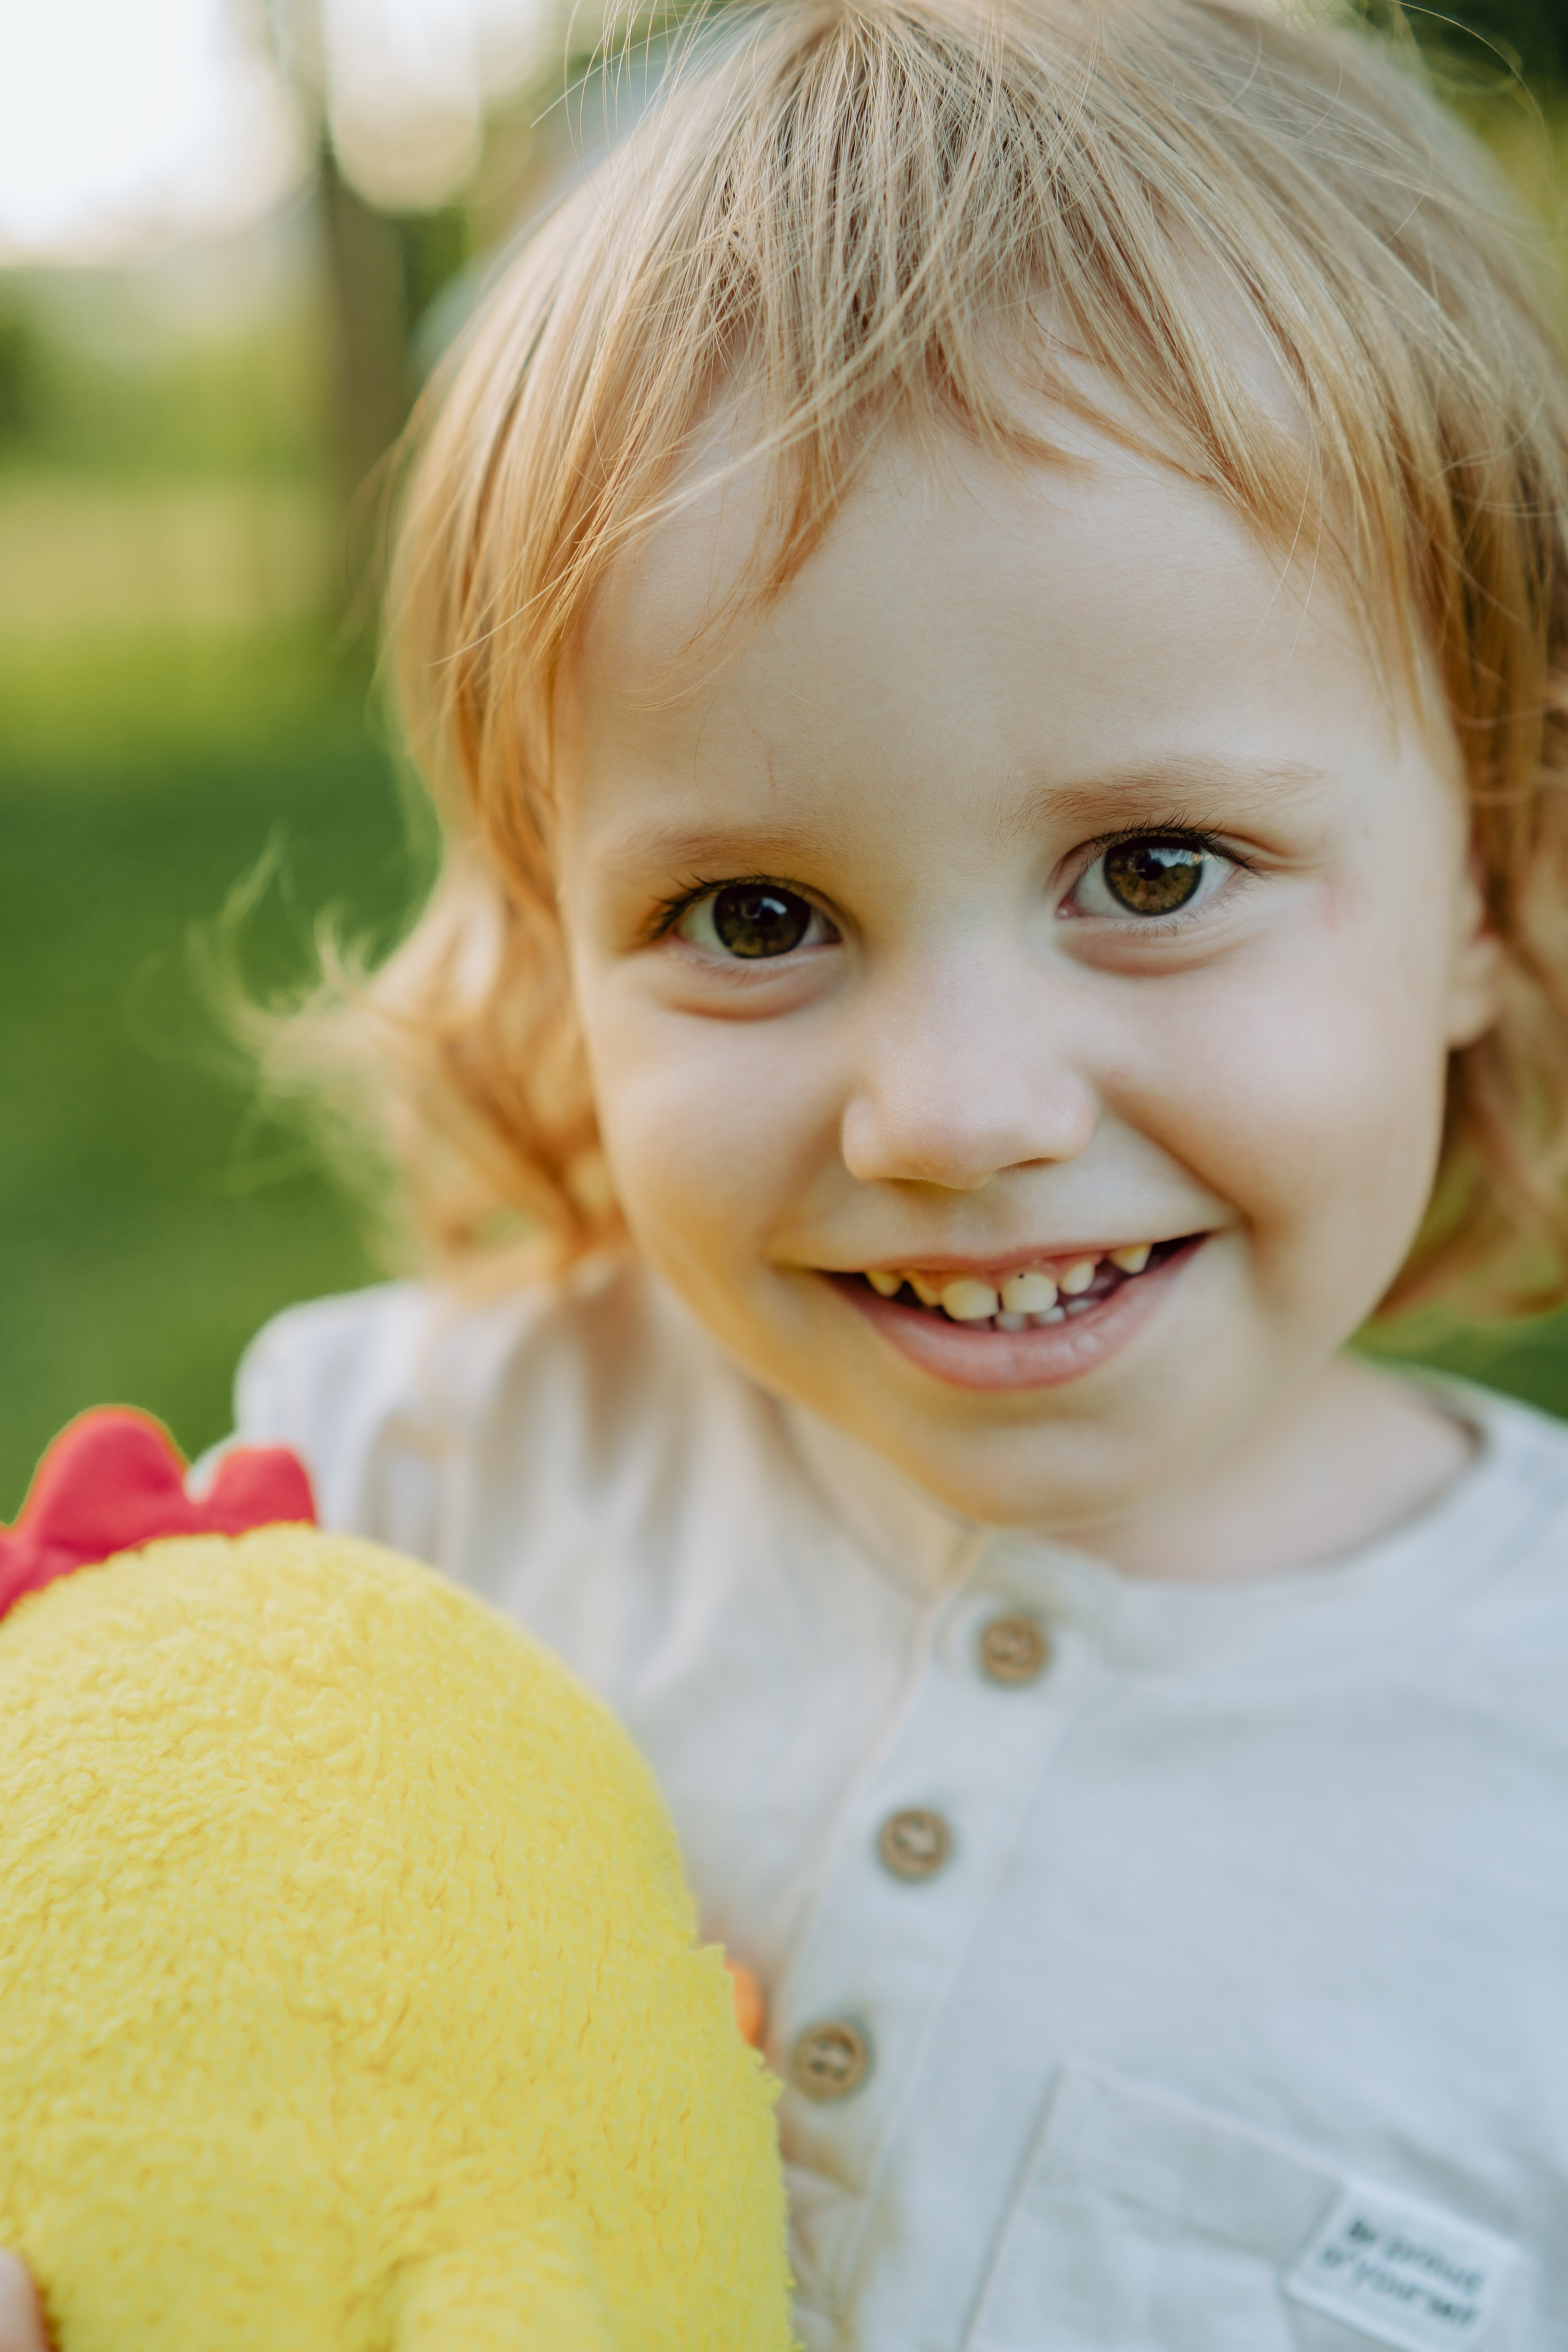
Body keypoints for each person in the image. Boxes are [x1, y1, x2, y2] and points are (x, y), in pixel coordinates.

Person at [11, 0, 1568, 2342]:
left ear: (1493, 883)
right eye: (754, 919)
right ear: (555, 949)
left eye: (1154, 872)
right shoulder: (402, 1490)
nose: (953, 1111)